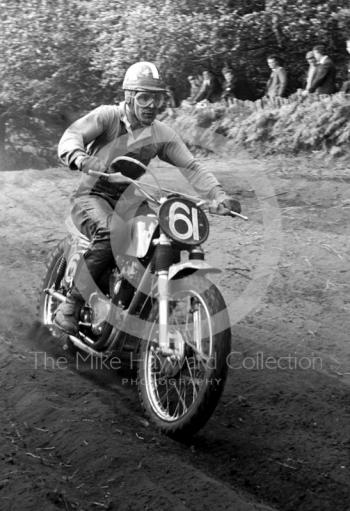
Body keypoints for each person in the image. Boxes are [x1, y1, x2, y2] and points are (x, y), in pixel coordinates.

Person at [54, 61, 242, 335]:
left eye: (158, 98)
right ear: (129, 97)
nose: (152, 104)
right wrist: (80, 157)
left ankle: (137, 312)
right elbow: (72, 136)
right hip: (92, 195)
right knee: (113, 231)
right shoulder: (108, 117)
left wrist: (218, 195)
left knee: (159, 238)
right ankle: (70, 305)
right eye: (144, 97)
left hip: (131, 199)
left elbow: (191, 167)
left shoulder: (161, 134)